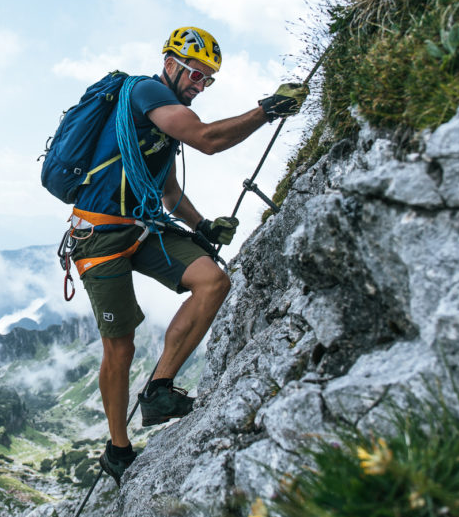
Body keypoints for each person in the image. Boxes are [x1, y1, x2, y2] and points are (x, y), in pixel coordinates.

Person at [67, 26, 308, 486]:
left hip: (142, 227)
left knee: (213, 281)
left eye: (207, 81)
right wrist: (267, 110)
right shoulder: (146, 92)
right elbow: (208, 140)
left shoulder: (165, 113)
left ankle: (159, 390)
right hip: (98, 236)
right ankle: (117, 450)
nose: (199, 86)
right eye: (196, 75)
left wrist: (201, 227)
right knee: (120, 346)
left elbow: (167, 189)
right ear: (172, 63)